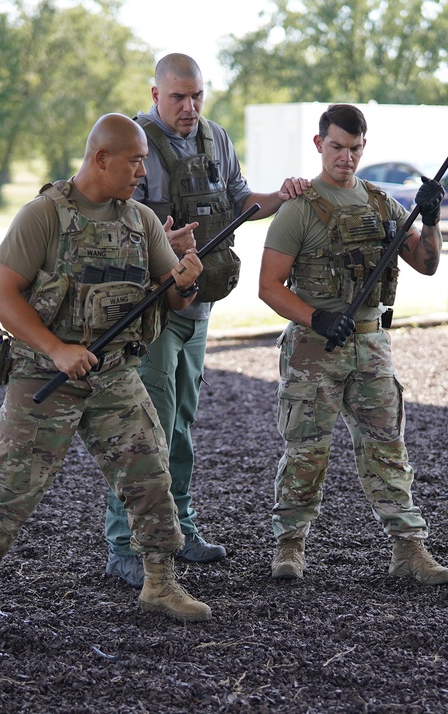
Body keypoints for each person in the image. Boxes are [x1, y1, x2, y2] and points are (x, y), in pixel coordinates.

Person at [0, 114, 211, 637]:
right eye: (135, 159)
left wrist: (186, 282)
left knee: (149, 473)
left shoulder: (141, 221)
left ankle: (160, 582)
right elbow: (1, 295)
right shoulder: (43, 216)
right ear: (101, 158)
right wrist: (56, 349)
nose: (143, 171)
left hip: (116, 374)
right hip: (44, 376)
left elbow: (168, 293)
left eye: (144, 160)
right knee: (10, 487)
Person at [103, 54, 310, 587]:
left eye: (197, 95)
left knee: (180, 427)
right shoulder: (134, 141)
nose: (190, 107)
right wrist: (160, 249)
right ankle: (125, 546)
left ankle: (181, 529)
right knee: (141, 430)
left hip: (200, 306)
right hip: (151, 314)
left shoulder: (217, 138)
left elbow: (241, 201)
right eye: (178, 97)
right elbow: (109, 224)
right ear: (155, 94)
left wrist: (281, 198)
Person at [258, 103, 448, 586]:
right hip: (312, 349)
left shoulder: (383, 204)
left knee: (387, 447)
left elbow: (426, 264)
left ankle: (409, 548)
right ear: (319, 144)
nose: (346, 157)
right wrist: (316, 318)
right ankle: (290, 545)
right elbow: (268, 286)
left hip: (371, 344)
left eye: (355, 148)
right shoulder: (298, 210)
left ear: (365, 147)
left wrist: (430, 219)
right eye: (337, 147)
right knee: (307, 450)